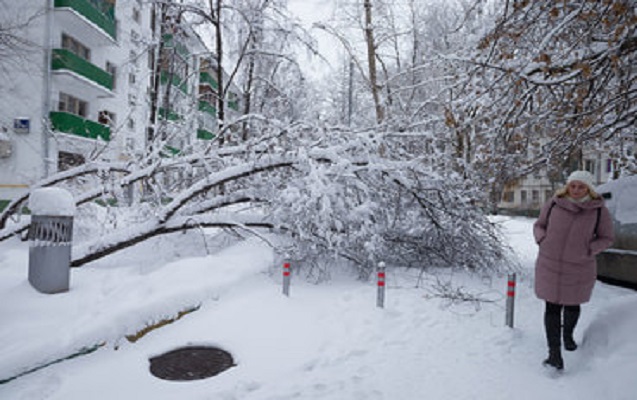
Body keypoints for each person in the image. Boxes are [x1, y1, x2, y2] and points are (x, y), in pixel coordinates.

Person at [533, 170, 614, 371]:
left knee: (572, 305)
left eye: (581, 186)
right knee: (551, 308)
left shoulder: (598, 210)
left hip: (579, 266)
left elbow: (607, 238)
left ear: (589, 189)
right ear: (567, 186)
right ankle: (554, 355)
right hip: (549, 263)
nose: (576, 190)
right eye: (573, 185)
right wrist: (542, 239)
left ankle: (567, 336)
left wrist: (588, 249)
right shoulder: (554, 203)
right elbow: (539, 225)